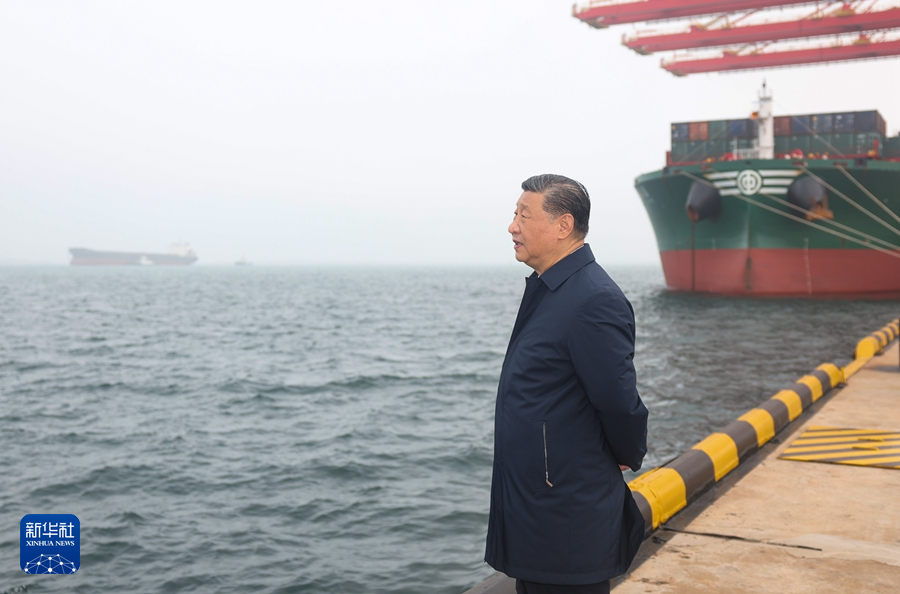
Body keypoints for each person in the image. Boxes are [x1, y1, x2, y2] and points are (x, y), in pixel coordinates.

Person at [485, 174, 649, 594]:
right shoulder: (551, 290)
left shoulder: (593, 299)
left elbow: (619, 401)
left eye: (524, 216)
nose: (512, 226)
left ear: (563, 225)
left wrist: (625, 453)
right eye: (514, 214)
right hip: (540, 508)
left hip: (566, 516)